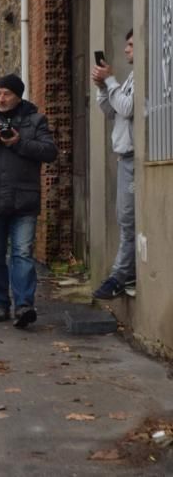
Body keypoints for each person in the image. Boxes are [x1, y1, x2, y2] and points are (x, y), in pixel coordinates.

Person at [0, 74, 58, 328]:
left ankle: (24, 305)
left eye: (7, 94)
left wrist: (18, 142)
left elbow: (49, 152)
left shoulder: (35, 120)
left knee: (22, 253)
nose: (1, 98)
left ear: (18, 96)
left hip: (24, 198)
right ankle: (0, 304)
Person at [91, 30, 136, 300]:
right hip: (124, 157)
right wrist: (102, 88)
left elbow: (128, 108)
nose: (127, 50)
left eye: (131, 44)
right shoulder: (130, 77)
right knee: (124, 218)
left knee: (128, 220)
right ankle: (124, 273)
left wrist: (110, 80)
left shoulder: (144, 75)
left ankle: (120, 275)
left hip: (134, 157)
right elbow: (111, 111)